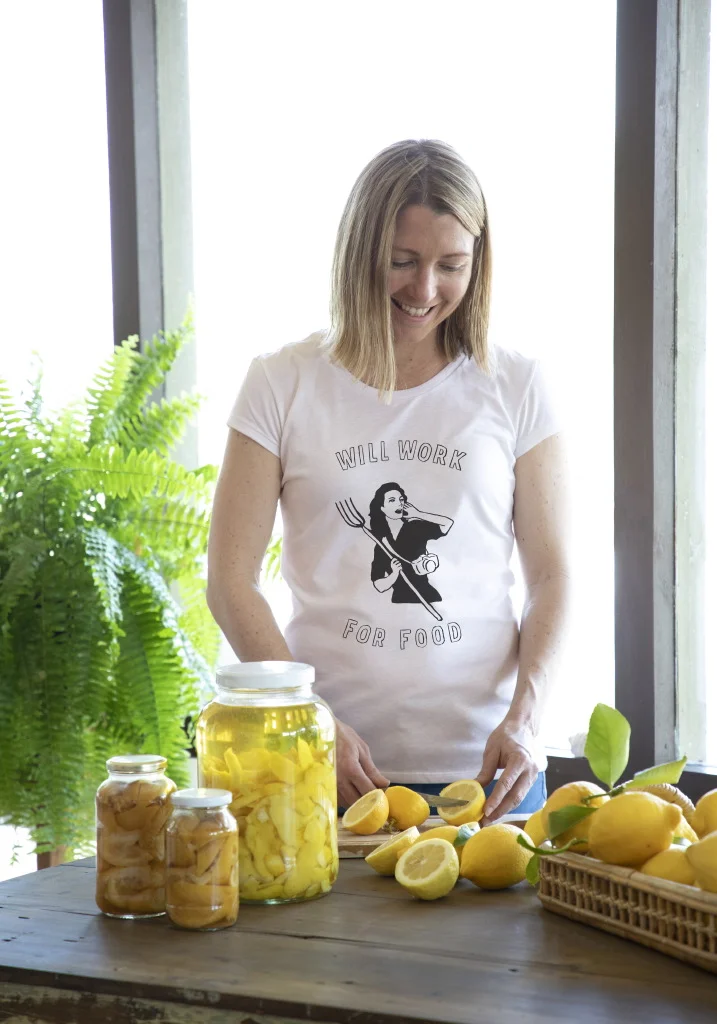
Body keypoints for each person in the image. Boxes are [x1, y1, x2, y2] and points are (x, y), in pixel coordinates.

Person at [207, 139, 570, 823]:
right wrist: (308, 721)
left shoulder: (516, 384)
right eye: (401, 261)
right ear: (358, 253)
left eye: (450, 265)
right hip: (328, 769)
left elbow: (553, 575)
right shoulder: (281, 383)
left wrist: (526, 718)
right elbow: (230, 582)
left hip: (489, 773)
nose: (424, 289)